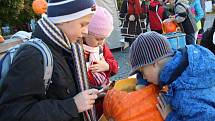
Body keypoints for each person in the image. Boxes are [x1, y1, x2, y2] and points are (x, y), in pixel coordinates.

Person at [0, 0, 100, 121]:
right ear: (63, 19)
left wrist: (98, 92)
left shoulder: (67, 48)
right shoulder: (33, 56)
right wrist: (72, 106)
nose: (86, 32)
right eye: (83, 24)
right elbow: (13, 113)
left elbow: (69, 86)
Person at [129, 31, 215, 121]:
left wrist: (170, 117)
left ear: (154, 64)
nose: (143, 77)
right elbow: (153, 68)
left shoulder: (184, 97)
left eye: (142, 72)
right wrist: (142, 82)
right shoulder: (182, 58)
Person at [82, 6, 119, 119]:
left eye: (104, 38)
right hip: (91, 102)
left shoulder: (102, 47)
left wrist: (107, 66)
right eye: (98, 38)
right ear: (86, 32)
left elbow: (115, 66)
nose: (101, 42)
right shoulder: (79, 52)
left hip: (105, 94)